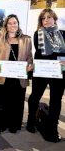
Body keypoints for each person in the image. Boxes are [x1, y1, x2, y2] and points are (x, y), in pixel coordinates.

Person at [26, 9, 65, 142]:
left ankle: (53, 127)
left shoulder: (63, 34)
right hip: (42, 70)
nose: (46, 20)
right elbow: (43, 52)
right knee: (34, 97)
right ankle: (31, 121)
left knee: (56, 101)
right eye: (43, 18)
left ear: (55, 18)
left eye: (49, 17)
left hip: (58, 72)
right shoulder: (38, 34)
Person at [0, 14, 33, 133]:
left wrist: (30, 65)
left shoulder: (26, 39)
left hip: (19, 76)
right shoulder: (0, 38)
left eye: (15, 23)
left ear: (18, 24)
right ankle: (2, 123)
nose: (12, 25)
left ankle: (14, 125)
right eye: (10, 23)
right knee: (3, 100)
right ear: (6, 25)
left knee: (17, 101)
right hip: (3, 75)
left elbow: (30, 56)